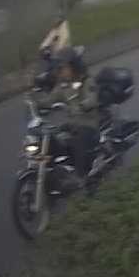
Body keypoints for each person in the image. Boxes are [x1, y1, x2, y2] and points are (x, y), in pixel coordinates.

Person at [34, 51, 104, 180]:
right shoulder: (63, 85)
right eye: (59, 68)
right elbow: (51, 99)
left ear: (74, 67)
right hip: (73, 124)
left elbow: (92, 99)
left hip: (88, 124)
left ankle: (80, 177)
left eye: (64, 68)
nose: (60, 71)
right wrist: (37, 104)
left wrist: (83, 106)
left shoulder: (86, 81)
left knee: (78, 143)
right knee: (52, 136)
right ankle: (55, 170)